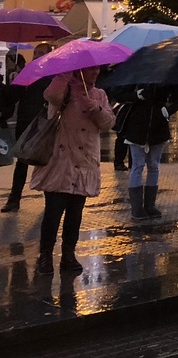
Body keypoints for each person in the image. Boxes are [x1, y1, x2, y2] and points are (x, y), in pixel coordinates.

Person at [30, 65, 115, 275]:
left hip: (84, 162)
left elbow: (108, 124)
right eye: (90, 69)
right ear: (79, 70)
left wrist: (96, 109)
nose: (95, 72)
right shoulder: (64, 90)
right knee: (53, 212)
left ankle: (69, 255)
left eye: (97, 69)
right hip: (61, 162)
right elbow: (50, 95)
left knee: (75, 213)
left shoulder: (99, 94)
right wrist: (64, 74)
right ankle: (45, 256)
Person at [116, 83, 178, 221]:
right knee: (137, 166)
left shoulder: (168, 77)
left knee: (153, 166)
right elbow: (119, 95)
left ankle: (150, 205)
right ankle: (137, 208)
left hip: (159, 127)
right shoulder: (137, 75)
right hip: (137, 127)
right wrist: (136, 95)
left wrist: (168, 110)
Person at [0, 43, 53, 212]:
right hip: (25, 123)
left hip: (45, 124)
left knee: (46, 163)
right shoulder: (27, 73)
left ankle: (50, 200)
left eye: (41, 53)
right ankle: (14, 199)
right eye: (35, 53)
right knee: (22, 162)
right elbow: (12, 96)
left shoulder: (54, 75)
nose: (36, 56)